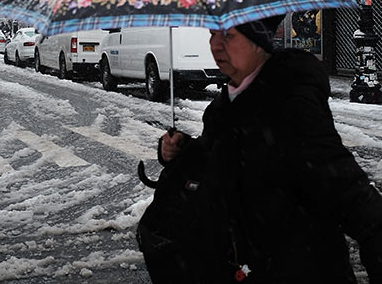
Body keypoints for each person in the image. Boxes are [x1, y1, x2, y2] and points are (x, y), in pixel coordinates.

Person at [152, 15, 382, 283]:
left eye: (227, 35)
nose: (215, 45)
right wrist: (181, 149)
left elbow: (352, 196)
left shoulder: (290, 104)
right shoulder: (224, 106)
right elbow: (222, 161)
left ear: (258, 42)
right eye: (212, 34)